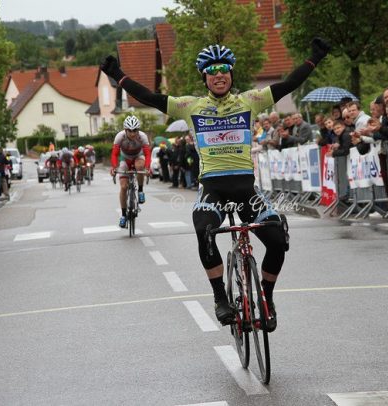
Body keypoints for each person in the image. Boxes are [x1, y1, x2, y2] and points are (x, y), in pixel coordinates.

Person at [101, 38, 330, 330]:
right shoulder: (191, 107)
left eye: (223, 69)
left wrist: (314, 59)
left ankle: (267, 297)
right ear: (204, 77)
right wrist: (118, 75)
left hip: (247, 190)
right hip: (213, 190)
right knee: (204, 230)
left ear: (231, 74)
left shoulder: (250, 101)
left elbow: (288, 84)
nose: (218, 74)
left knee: (277, 242)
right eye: (211, 70)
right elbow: (149, 96)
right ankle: (220, 296)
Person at [111, 115, 151, 228]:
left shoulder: (142, 136)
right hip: (125, 159)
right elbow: (114, 154)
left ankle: (140, 191)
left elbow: (147, 154)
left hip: (138, 157)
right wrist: (114, 167)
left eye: (135, 130)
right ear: (125, 130)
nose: (133, 133)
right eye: (130, 131)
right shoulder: (120, 136)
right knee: (123, 187)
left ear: (138, 130)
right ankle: (123, 215)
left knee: (140, 166)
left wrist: (147, 168)